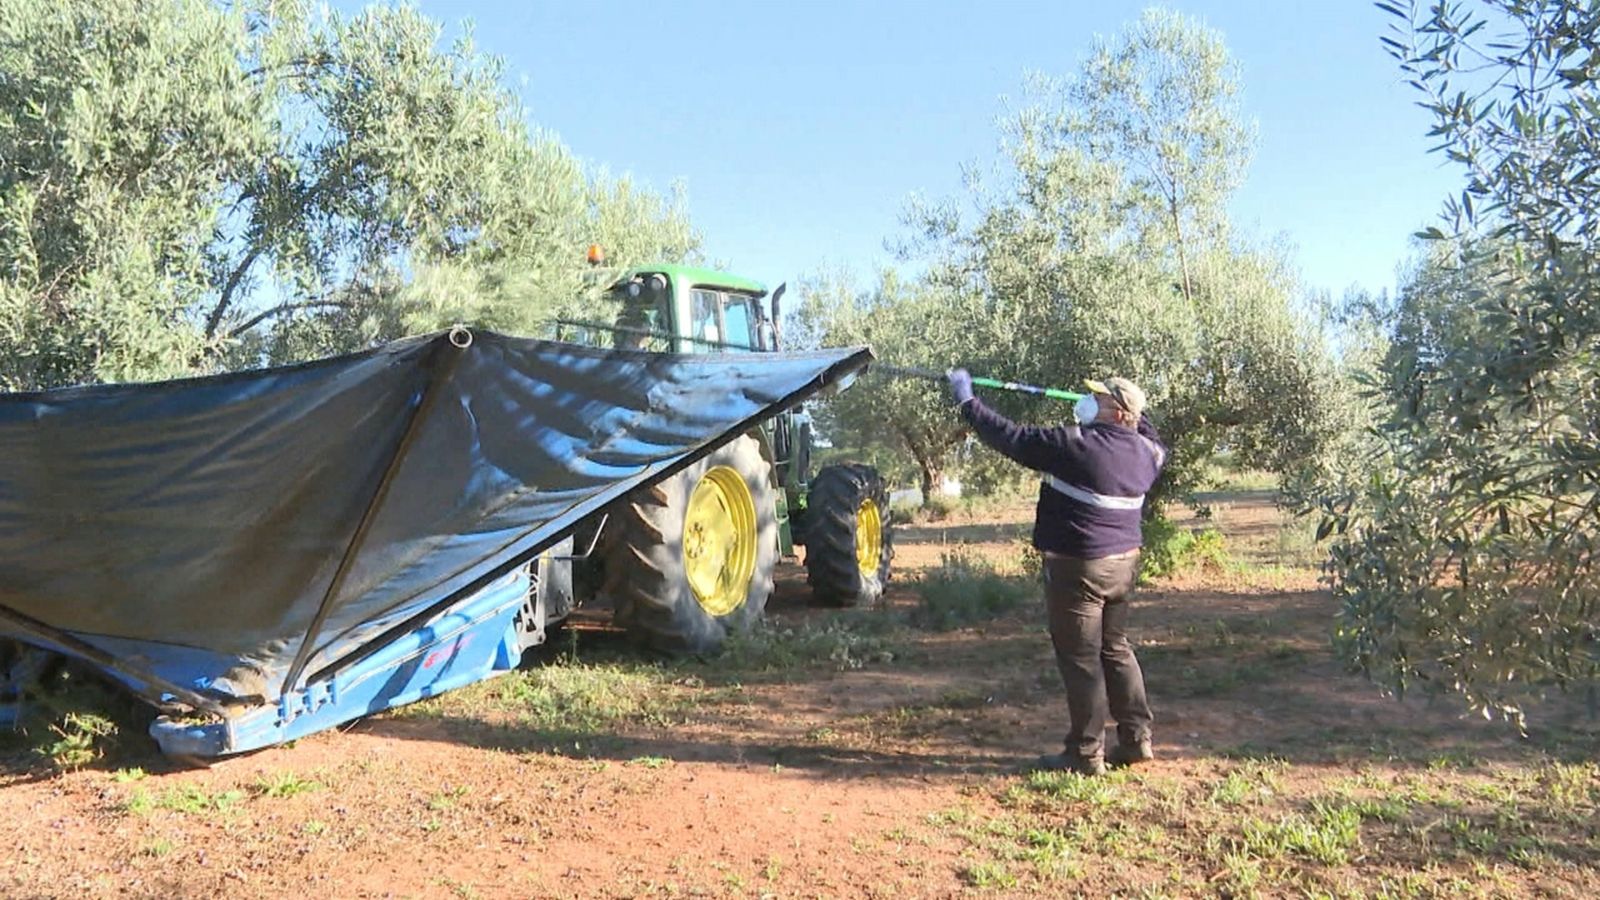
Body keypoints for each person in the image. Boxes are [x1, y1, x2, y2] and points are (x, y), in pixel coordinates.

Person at [947, 369, 1167, 776]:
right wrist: (1134, 404)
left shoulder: (1075, 444)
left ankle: (1085, 755)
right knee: (1116, 649)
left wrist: (967, 402)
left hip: (1078, 567)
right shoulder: (1149, 454)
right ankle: (1137, 740)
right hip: (1123, 565)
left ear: (1118, 413)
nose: (1087, 403)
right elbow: (1148, 429)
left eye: (1099, 400)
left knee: (1082, 659)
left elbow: (1009, 436)